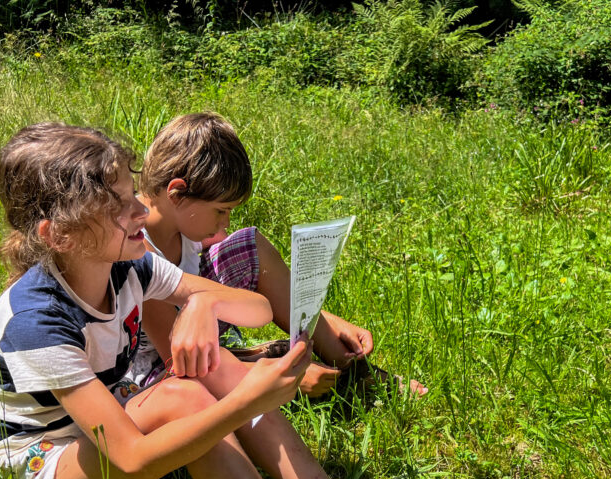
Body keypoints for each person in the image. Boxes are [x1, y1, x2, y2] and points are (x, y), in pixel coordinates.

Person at [0, 123, 454, 479]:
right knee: (188, 397)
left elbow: (254, 311)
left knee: (207, 385)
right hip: (50, 472)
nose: (138, 210)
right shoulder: (35, 324)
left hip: (101, 429)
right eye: (118, 204)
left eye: (131, 192)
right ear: (59, 234)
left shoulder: (128, 264)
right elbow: (131, 455)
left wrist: (203, 304)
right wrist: (245, 401)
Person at [128, 112, 428, 398]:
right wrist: (286, 381)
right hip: (161, 374)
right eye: (221, 210)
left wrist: (323, 321)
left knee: (248, 246)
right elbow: (178, 360)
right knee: (201, 386)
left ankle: (354, 366)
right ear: (177, 193)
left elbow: (238, 253)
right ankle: (271, 365)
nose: (226, 222)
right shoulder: (135, 250)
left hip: (197, 328)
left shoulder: (181, 224)